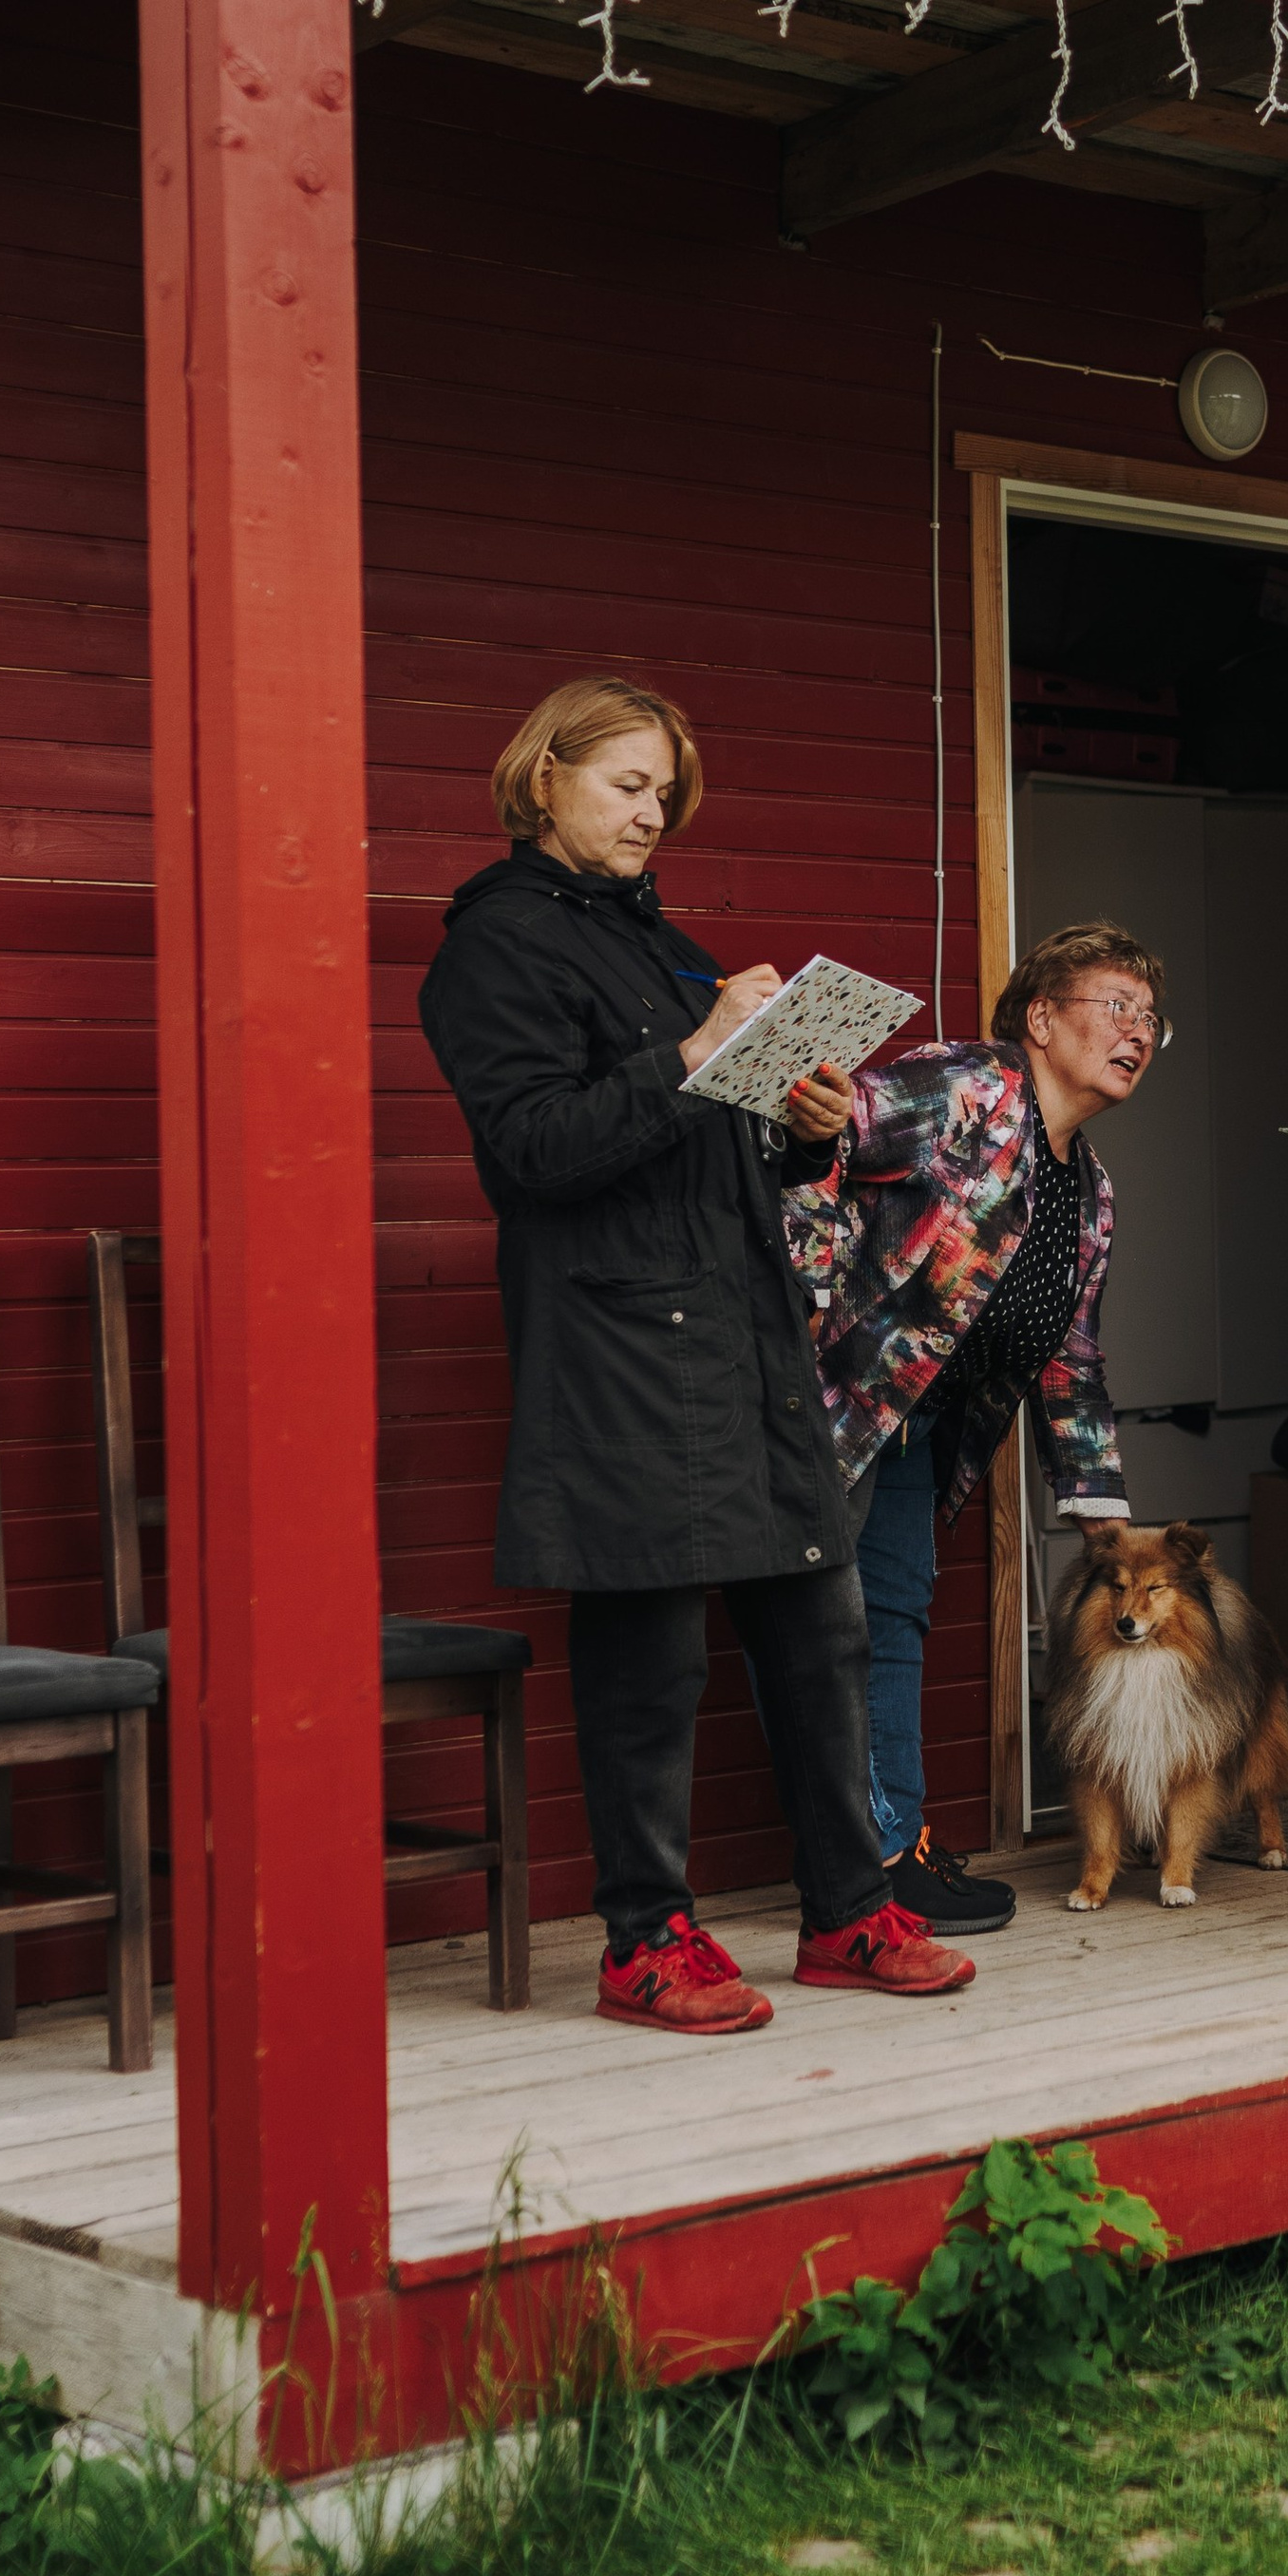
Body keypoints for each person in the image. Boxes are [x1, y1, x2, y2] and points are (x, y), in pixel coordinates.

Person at [418, 674, 974, 2032]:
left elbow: (704, 1133)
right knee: (649, 1645)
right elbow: (537, 1150)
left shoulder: (656, 941)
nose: (650, 812)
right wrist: (706, 1043)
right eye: (625, 784)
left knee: (819, 1622)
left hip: (743, 1325)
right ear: (542, 776)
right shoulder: (496, 949)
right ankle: (644, 1937)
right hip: (616, 1336)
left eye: (663, 792)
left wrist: (798, 1116)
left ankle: (847, 1914)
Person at [798, 922, 1162, 1929]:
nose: (1137, 1031)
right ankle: (865, 1860)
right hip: (837, 1404)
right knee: (834, 1626)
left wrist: (1099, 1505)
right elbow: (815, 1128)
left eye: (1149, 1018)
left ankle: (889, 1844)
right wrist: (809, 1288)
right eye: (1116, 1006)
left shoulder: (1087, 1190)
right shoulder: (960, 1086)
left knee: (894, 1618)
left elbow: (1068, 1355)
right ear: (1040, 1018)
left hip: (921, 1423)